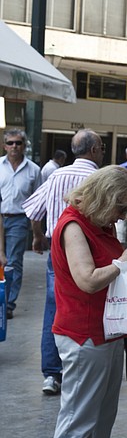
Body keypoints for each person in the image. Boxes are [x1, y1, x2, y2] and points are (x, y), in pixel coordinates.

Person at [50, 166, 127, 438]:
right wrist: (125, 260)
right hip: (85, 336)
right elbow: (88, 281)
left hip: (108, 333)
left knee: (102, 419)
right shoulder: (74, 225)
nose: (124, 216)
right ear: (105, 198)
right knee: (77, 425)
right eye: (121, 208)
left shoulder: (101, 223)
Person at [23, 128, 106, 396]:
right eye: (102, 147)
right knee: (88, 307)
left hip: (56, 255)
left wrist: (38, 238)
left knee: (54, 308)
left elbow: (34, 211)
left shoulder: (56, 175)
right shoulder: (99, 178)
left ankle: (51, 374)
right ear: (93, 150)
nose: (103, 152)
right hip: (89, 254)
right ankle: (82, 367)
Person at [0, 128, 43, 319]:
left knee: (13, 261)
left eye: (18, 143)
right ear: (4, 146)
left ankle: (8, 304)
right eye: (10, 143)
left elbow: (37, 202)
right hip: (0, 217)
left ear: (24, 146)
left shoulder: (34, 170)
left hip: (18, 220)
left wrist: (37, 233)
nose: (14, 146)